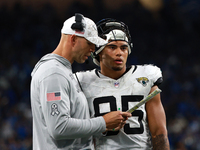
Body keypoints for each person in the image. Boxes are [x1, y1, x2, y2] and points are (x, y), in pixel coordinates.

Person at [30, 14, 131, 150]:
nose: (93, 49)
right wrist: (103, 122)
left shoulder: (62, 70)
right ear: (73, 39)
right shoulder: (53, 73)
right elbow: (59, 127)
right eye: (89, 43)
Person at [75, 18, 170, 149]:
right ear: (98, 51)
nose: (119, 53)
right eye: (112, 47)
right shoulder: (81, 82)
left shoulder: (147, 76)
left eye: (124, 48)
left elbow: (159, 133)